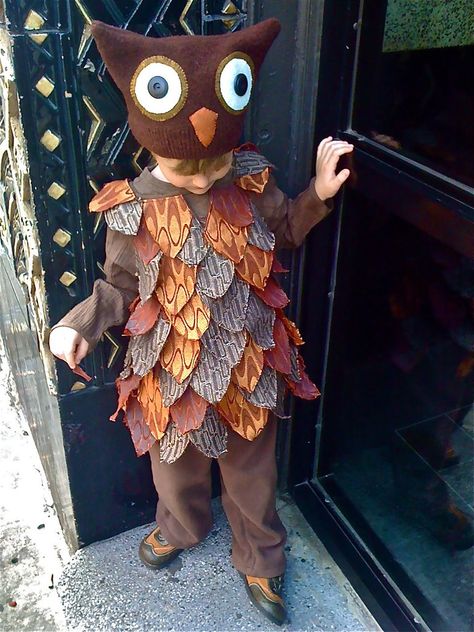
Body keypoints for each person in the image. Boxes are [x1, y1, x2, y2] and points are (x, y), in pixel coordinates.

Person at [48, 18, 353, 626]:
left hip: (246, 360)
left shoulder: (250, 179)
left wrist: (316, 194)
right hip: (168, 368)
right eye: (187, 169)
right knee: (175, 462)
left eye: (214, 166)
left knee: (251, 468)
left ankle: (261, 555)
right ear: (148, 141)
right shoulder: (133, 209)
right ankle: (181, 526)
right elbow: (118, 286)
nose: (204, 178)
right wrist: (80, 323)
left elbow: (286, 230)